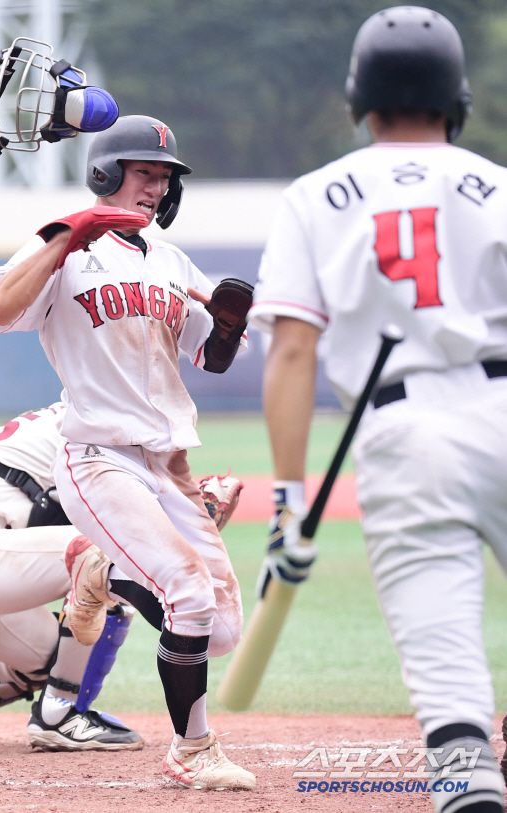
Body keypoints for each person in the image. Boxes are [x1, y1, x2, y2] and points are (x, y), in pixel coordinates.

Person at [248, 7, 507, 812]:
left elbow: (292, 352)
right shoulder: (499, 184)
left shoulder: (313, 196)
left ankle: (468, 770)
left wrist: (289, 498)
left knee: (446, 659)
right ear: (455, 99)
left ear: (359, 100)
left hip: (403, 430)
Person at [0, 115, 256, 791]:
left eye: (163, 177)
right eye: (144, 172)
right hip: (99, 455)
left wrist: (227, 324)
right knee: (186, 591)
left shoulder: (166, 258)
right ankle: (194, 749)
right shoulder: (60, 244)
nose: (156, 187)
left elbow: (210, 358)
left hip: (171, 464)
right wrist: (66, 236)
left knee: (217, 628)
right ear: (104, 173)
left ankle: (112, 576)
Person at [0, 401, 242, 753]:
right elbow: (128, 533)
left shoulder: (82, 415)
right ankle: (60, 714)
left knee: (45, 657)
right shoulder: (101, 425)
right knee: (108, 557)